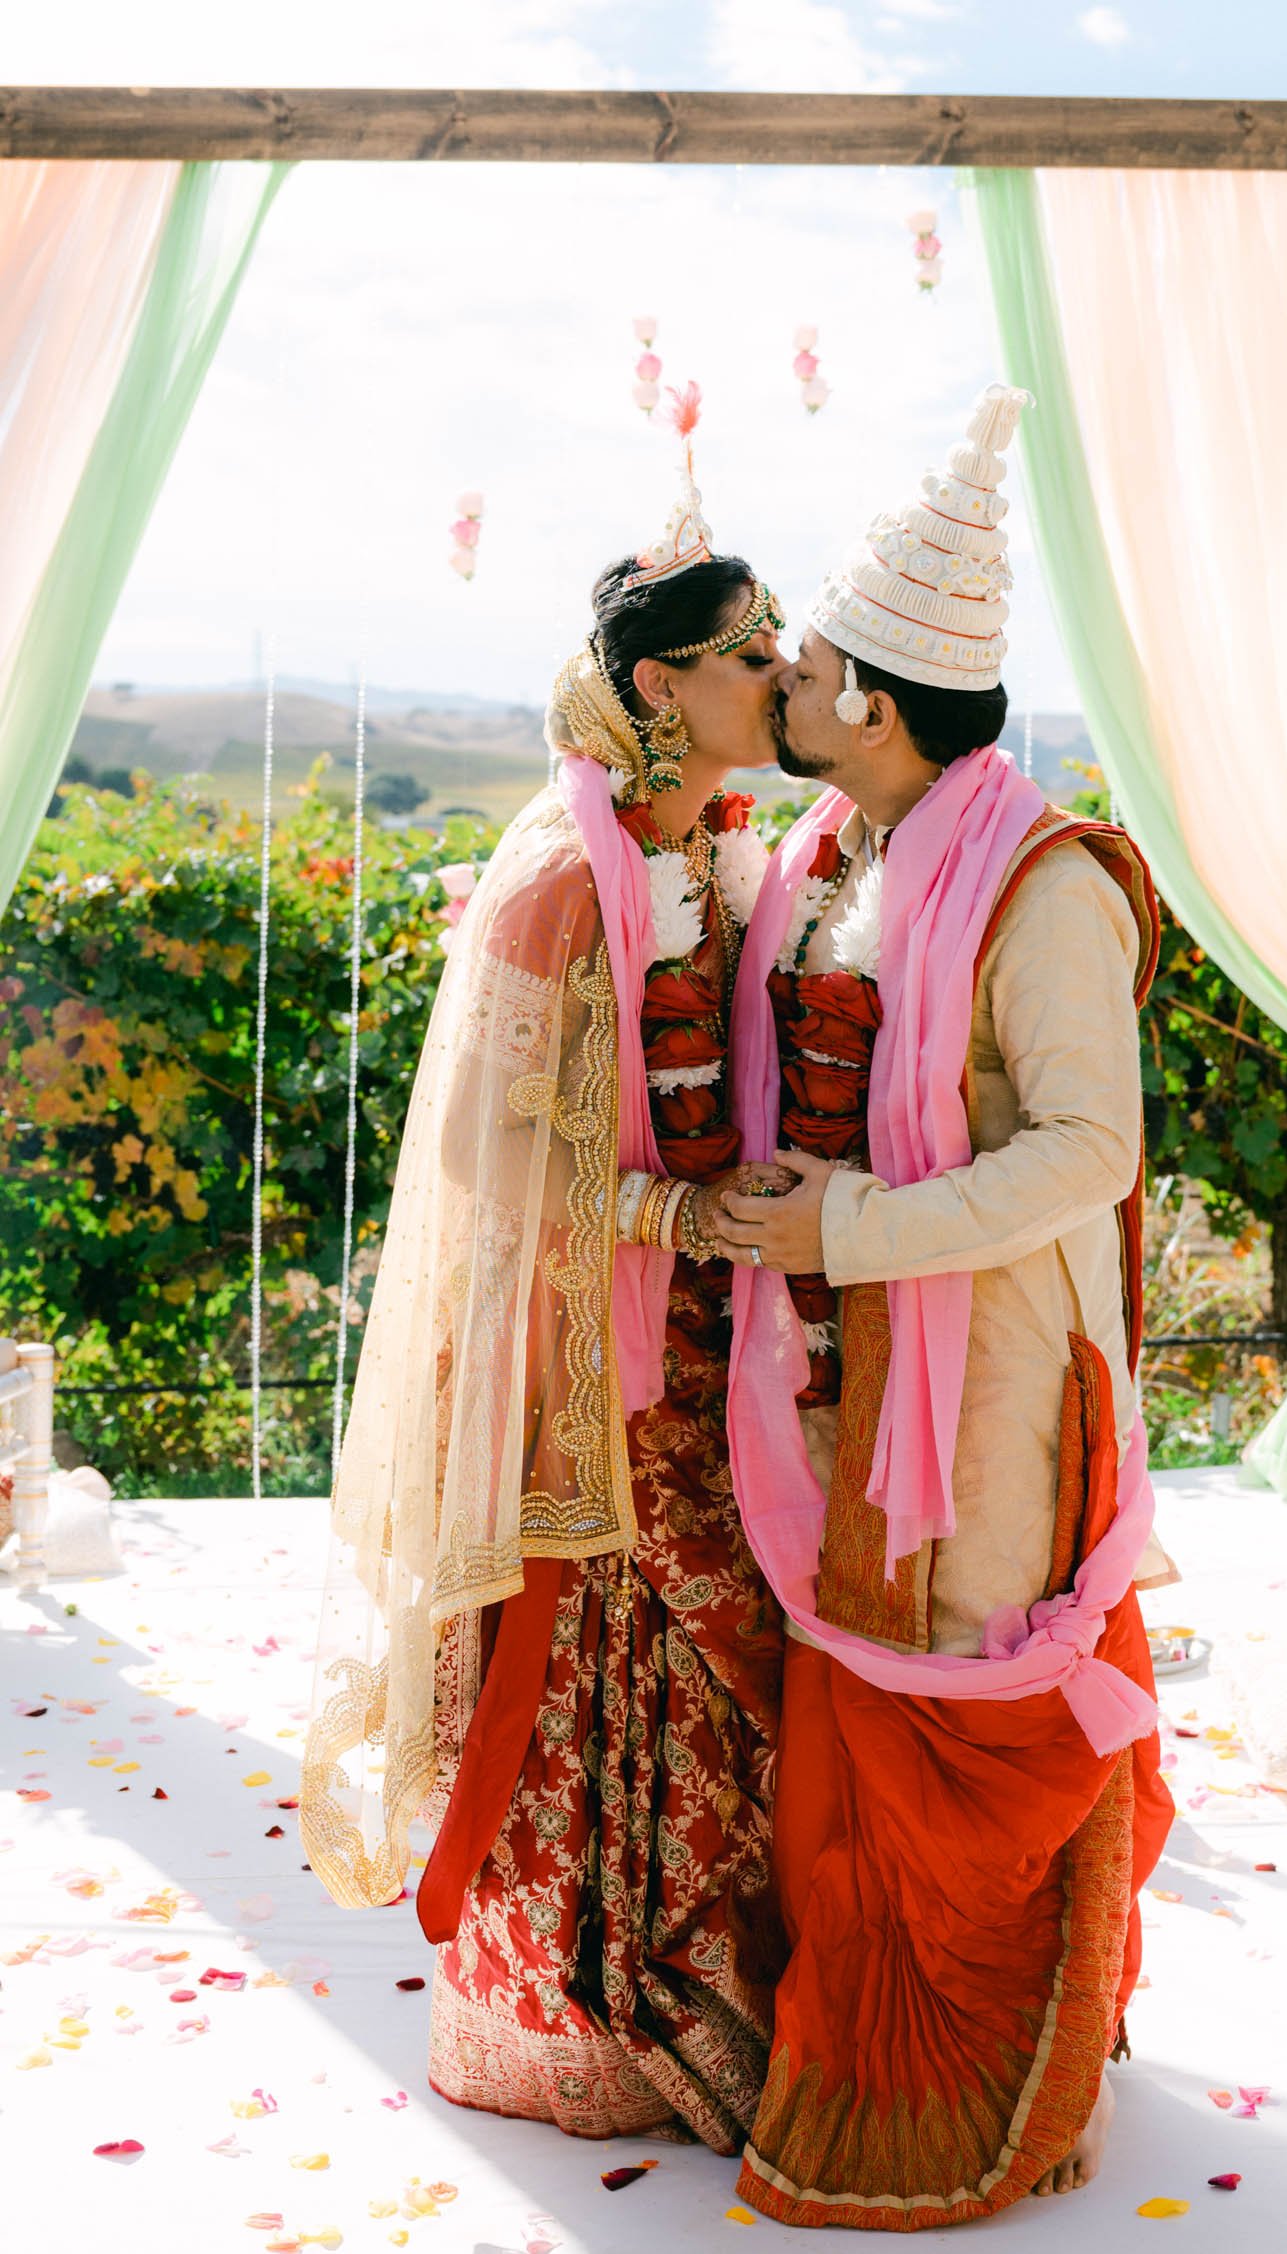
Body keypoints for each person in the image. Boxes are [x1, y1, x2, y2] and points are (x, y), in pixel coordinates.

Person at [713, 384, 1177, 2226]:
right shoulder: (846, 858)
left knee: (966, 1670)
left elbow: (1086, 1149)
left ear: (882, 711)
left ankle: (984, 2080)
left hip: (988, 1379)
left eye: (811, 672)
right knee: (857, 1658)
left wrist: (849, 1232)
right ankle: (877, 2039)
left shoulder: (1040, 887)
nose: (789, 693)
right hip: (857, 1362)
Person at [300, 434, 792, 2152]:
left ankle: (731, 1997)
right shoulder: (561, 881)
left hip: (715, 1343)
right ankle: (596, 2020)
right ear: (663, 682)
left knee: (742, 1643)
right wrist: (678, 1209)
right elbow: (477, 1168)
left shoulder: (726, 852)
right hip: (589, 1359)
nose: (780, 670)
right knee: (606, 1648)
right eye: (751, 648)